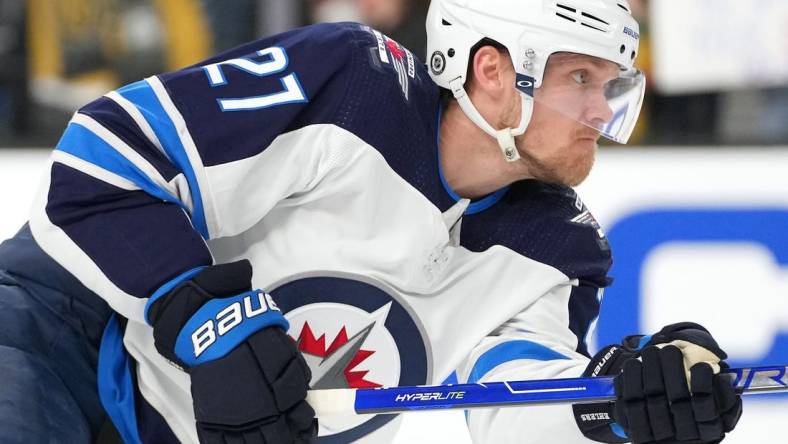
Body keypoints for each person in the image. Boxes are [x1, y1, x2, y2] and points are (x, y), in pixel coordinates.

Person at [11, 0, 742, 443]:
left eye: (612, 86)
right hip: (64, 340)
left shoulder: (563, 249)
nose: (599, 111)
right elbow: (105, 156)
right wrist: (206, 318)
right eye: (580, 79)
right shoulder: (352, 84)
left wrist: (616, 401)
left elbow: (514, 402)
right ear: (492, 72)